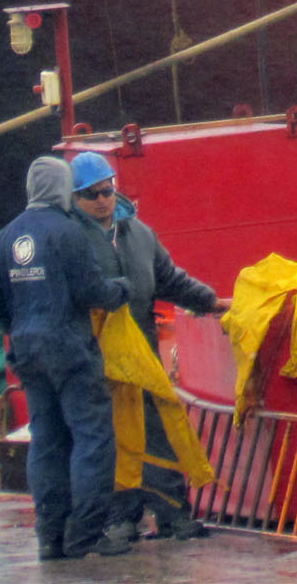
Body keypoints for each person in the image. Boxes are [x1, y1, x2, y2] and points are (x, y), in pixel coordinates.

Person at [67, 152, 223, 541]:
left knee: (158, 433)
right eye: (90, 194)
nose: (102, 199)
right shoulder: (68, 238)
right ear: (73, 198)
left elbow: (170, 279)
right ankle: (120, 518)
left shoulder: (140, 234)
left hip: (144, 358)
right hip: (97, 363)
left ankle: (172, 513)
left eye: (107, 190)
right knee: (112, 441)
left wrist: (210, 301)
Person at [0, 154, 130, 561]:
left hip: (28, 352)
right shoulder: (68, 232)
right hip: (70, 348)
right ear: (63, 189)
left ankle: (49, 537)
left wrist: (22, 323)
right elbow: (91, 292)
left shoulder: (7, 236)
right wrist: (121, 289)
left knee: (46, 440)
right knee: (92, 439)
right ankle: (85, 534)